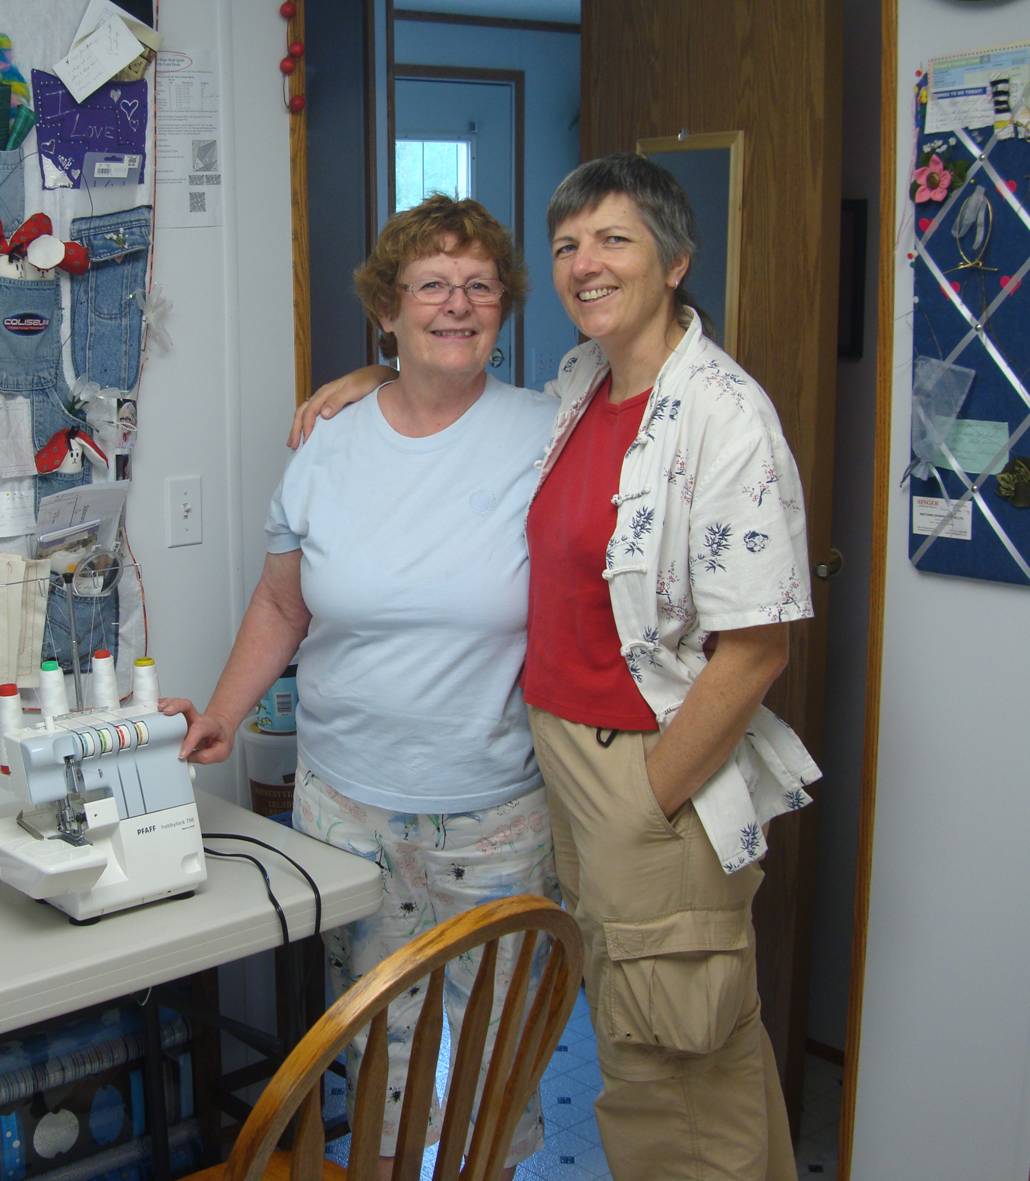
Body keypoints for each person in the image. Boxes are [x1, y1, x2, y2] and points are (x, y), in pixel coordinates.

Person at [294, 154, 820, 1181]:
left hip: (648, 770)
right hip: (564, 764)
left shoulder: (720, 414)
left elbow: (758, 644)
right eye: (568, 244)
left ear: (674, 261)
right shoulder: (585, 390)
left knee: (676, 1063)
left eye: (612, 239)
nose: (585, 264)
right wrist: (376, 377)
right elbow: (457, 410)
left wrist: (645, 800)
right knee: (650, 1049)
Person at [164, 195, 558, 1177]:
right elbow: (279, 605)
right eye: (430, 284)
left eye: (478, 286)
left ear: (504, 307)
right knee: (373, 1050)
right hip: (343, 808)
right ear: (387, 307)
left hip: (495, 810)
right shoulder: (326, 445)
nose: (455, 304)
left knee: (489, 1064)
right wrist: (222, 711)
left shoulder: (549, 432)